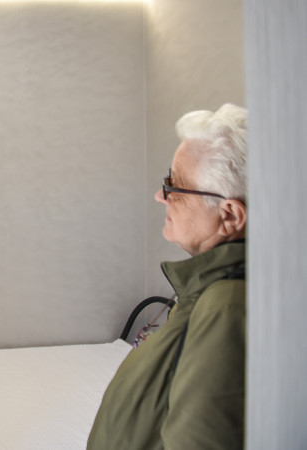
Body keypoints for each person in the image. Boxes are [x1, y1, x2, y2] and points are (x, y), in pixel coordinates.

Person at [88, 103, 247, 450]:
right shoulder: (204, 296)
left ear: (230, 216)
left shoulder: (225, 309)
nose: (161, 196)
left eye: (175, 186)